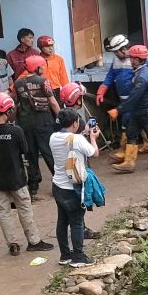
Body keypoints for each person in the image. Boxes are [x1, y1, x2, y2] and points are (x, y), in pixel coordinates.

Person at [0, 93, 54, 257]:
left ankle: (12, 245)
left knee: (3, 212)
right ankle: (34, 242)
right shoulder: (16, 131)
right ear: (8, 110)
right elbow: (25, 151)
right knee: (24, 209)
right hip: (16, 179)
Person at [97, 34, 148, 156]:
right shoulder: (117, 61)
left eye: (117, 52)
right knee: (132, 126)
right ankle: (130, 156)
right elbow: (110, 77)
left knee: (140, 126)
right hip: (127, 101)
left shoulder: (140, 62)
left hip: (136, 101)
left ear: (123, 49)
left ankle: (135, 154)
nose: (116, 54)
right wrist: (101, 91)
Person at [49, 108, 99, 267]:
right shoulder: (77, 140)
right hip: (73, 188)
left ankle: (65, 255)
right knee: (77, 222)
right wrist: (93, 137)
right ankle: (78, 257)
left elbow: (68, 140)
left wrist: (82, 135)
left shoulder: (53, 137)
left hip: (58, 186)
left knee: (62, 221)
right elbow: (94, 153)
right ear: (75, 122)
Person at [112, 45, 148, 172]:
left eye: (132, 58)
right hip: (137, 112)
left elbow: (133, 97)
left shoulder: (142, 77)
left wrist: (119, 109)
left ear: (138, 59)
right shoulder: (144, 71)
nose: (130, 60)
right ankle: (129, 162)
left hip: (144, 111)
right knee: (131, 134)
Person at [14, 55, 61, 197]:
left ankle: (33, 186)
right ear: (37, 67)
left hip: (25, 122)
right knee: (48, 152)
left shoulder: (18, 83)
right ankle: (59, 183)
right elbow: (52, 102)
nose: (43, 68)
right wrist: (61, 117)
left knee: (30, 154)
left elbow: (17, 101)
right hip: (43, 120)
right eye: (42, 66)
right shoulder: (43, 81)